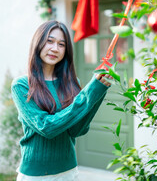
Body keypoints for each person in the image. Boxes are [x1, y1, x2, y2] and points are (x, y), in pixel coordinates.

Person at [11, 20, 112, 181]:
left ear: (66, 50)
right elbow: (46, 127)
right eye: (50, 41)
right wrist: (89, 93)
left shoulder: (72, 83)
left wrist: (97, 91)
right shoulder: (22, 85)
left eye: (61, 44)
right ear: (38, 43)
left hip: (68, 172)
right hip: (34, 175)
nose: (55, 48)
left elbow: (77, 130)